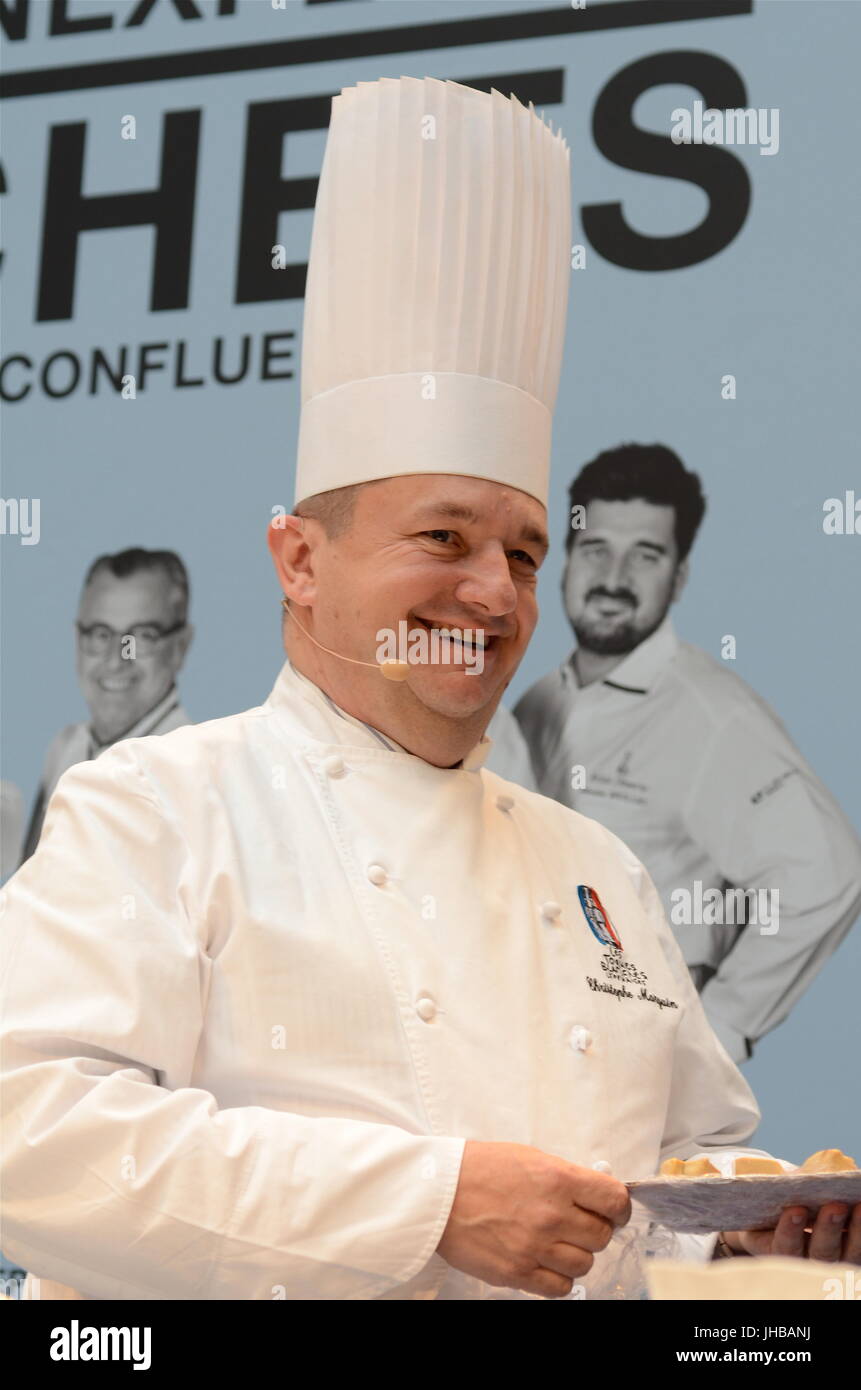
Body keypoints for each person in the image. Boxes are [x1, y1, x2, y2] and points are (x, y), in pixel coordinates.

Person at [1, 80, 858, 1303]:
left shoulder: (596, 869)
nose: (495, 596)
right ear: (299, 560)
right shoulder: (155, 807)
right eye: (443, 540)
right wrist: (427, 1204)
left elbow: (657, 1188)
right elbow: (29, 1138)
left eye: (519, 551)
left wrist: (745, 1227)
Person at [515, 444, 861, 1065]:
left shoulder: (710, 716)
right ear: (565, 562)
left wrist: (720, 1032)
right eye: (596, 548)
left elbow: (827, 873)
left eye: (645, 556)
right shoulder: (537, 703)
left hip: (640, 1054)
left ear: (678, 578)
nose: (614, 577)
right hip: (531, 1042)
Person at [18, 547, 193, 863]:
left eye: (141, 636)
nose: (116, 659)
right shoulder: (66, 748)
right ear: (77, 638)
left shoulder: (190, 775)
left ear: (181, 645)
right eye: (100, 634)